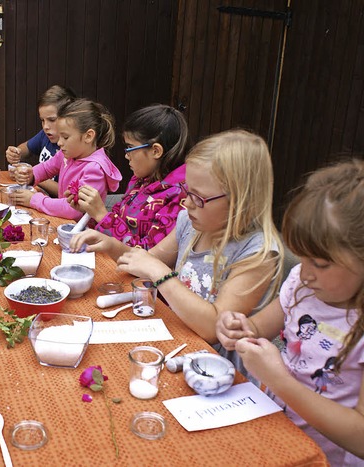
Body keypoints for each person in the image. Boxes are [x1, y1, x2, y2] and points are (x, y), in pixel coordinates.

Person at [72, 130, 283, 372]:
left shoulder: (257, 252)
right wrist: (112, 245)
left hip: (220, 372)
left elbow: (214, 328)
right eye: (186, 191)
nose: (187, 203)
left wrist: (161, 274)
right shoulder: (189, 223)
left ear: (241, 200)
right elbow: (145, 262)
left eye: (199, 198)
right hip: (178, 340)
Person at [215, 159, 364, 465]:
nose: (305, 273)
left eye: (321, 264)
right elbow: (255, 328)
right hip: (272, 431)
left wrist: (280, 380)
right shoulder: (301, 283)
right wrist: (236, 327)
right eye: (302, 258)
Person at [66, 104, 189, 248]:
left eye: (130, 148)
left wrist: (101, 214)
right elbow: (118, 219)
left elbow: (146, 254)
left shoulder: (179, 198)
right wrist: (90, 212)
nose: (126, 155)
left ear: (156, 151)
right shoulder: (141, 179)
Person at [12, 98, 122, 220]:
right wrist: (31, 174)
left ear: (88, 136)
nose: (59, 142)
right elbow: (47, 168)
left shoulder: (95, 170)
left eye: (65, 137)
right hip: (63, 221)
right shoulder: (69, 154)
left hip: (81, 232)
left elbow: (73, 210)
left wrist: (34, 199)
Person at [5, 85, 76, 196]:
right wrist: (16, 152)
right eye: (42, 120)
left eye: (52, 120)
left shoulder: (74, 150)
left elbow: (68, 193)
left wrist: (33, 176)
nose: (45, 126)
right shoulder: (46, 135)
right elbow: (27, 147)